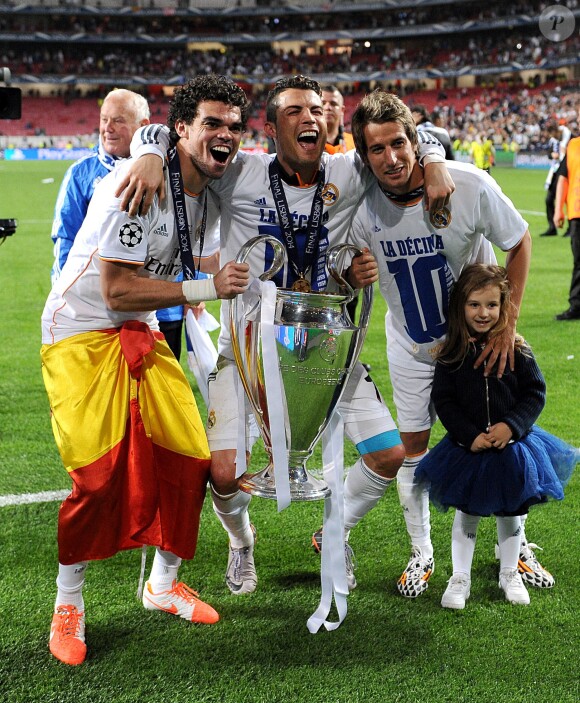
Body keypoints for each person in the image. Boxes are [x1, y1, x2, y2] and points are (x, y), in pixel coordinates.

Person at [122, 75, 454, 597]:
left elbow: (416, 135)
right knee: (225, 474)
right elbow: (185, 139)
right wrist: (146, 149)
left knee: (388, 454)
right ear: (272, 128)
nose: (312, 118)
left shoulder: (351, 170)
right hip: (249, 349)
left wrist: (432, 161)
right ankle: (241, 541)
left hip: (323, 350)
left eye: (319, 109)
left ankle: (336, 531)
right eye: (296, 111)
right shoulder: (242, 173)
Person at [40, 75, 251, 666]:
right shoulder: (135, 186)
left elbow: (178, 257)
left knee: (189, 455)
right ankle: (68, 602)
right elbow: (118, 286)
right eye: (212, 123)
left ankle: (161, 585)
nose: (226, 136)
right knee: (99, 474)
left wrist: (241, 265)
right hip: (82, 330)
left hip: (139, 326)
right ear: (182, 129)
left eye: (234, 126)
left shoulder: (204, 184)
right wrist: (207, 283)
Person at [345, 89, 557, 599]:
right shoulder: (357, 202)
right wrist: (349, 271)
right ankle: (422, 552)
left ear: (417, 141)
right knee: (414, 447)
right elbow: (338, 267)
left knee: (503, 438)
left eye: (399, 143)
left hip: (478, 343)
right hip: (414, 346)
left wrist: (506, 321)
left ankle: (518, 547)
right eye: (377, 149)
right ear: (363, 156)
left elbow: (519, 239)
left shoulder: (467, 184)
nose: (391, 158)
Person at [414, 264, 577, 609]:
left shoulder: (517, 347)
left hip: (512, 449)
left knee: (511, 512)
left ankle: (509, 572)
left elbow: (535, 393)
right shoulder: (451, 353)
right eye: (474, 304)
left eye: (491, 305)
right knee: (467, 512)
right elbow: (444, 400)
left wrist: (511, 426)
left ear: (505, 306)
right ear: (460, 306)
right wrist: (469, 434)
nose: (483, 313)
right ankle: (460, 577)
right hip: (467, 449)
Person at [49, 88, 187, 360]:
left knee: (156, 394)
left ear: (142, 126)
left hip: (165, 307)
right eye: (104, 119)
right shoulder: (81, 173)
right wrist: (70, 296)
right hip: (102, 313)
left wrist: (196, 287)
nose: (107, 128)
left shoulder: (172, 170)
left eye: (119, 120)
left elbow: (188, 233)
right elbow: (66, 239)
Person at [554, 135, 580, 321]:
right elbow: (563, 178)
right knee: (579, 261)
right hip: (577, 211)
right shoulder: (573, 145)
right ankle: (577, 305)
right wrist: (558, 210)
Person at [541, 120, 572, 238]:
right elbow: (549, 153)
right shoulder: (554, 139)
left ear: (557, 130)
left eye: (554, 134)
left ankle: (570, 228)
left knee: (567, 199)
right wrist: (552, 155)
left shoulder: (567, 135)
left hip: (566, 170)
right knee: (549, 199)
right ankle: (552, 227)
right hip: (555, 171)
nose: (552, 137)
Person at [322, 84, 355, 154]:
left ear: (342, 110)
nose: (327, 107)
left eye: (333, 104)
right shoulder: (307, 144)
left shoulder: (354, 143)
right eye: (323, 103)